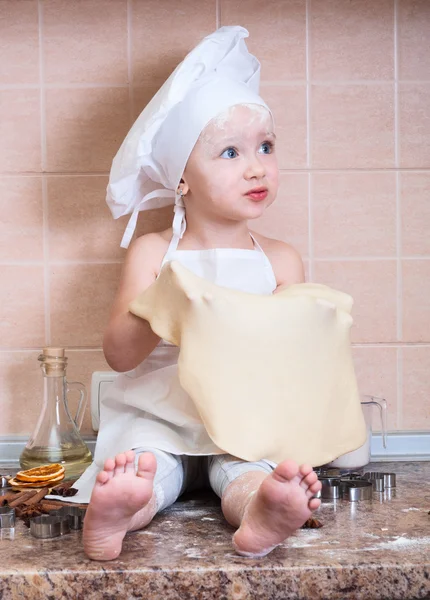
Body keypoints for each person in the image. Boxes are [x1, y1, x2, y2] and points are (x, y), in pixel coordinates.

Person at [79, 26, 322, 561]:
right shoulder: (153, 253)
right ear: (182, 178)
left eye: (265, 147)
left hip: (241, 421)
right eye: (230, 152)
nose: (256, 166)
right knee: (145, 469)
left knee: (249, 470)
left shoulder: (281, 260)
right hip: (157, 417)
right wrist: (161, 303)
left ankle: (262, 510)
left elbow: (298, 367)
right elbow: (119, 356)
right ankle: (121, 512)